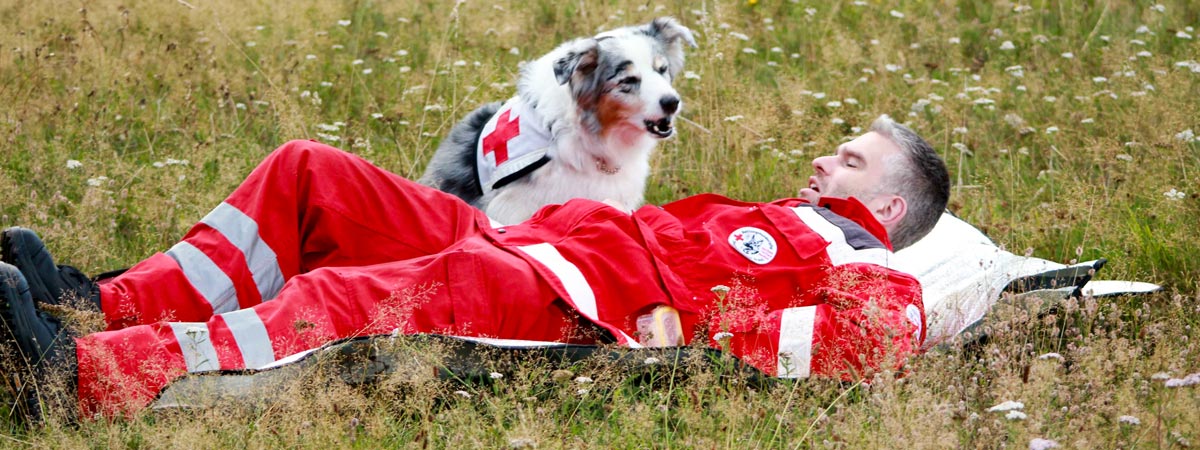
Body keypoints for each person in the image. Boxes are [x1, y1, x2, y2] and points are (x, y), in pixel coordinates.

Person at [0, 114, 950, 423]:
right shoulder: (771, 215)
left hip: (565, 299)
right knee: (309, 173)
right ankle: (94, 308)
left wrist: (660, 338)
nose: (826, 161)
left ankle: (75, 381)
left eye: (852, 160)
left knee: (342, 301)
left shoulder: (875, 276)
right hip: (529, 245)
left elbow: (848, 352)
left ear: (891, 208)